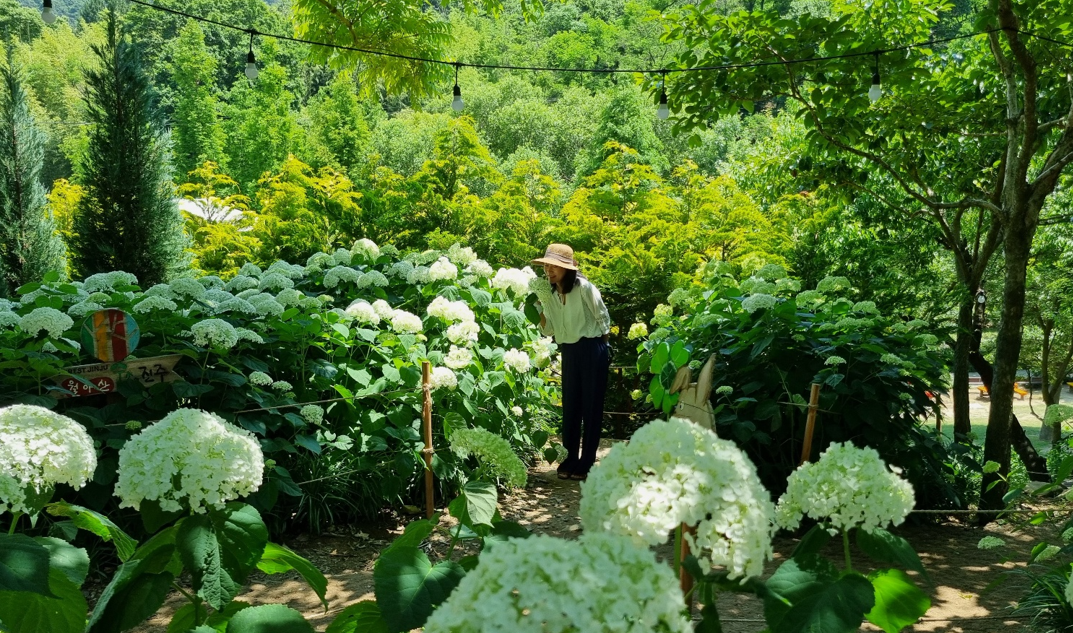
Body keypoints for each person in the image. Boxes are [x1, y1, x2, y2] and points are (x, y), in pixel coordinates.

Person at [531, 243, 611, 481]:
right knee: (571, 407)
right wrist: (541, 307)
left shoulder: (584, 287)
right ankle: (569, 459)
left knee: (591, 407)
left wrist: (601, 349)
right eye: (546, 265)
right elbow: (549, 331)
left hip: (592, 347)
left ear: (567, 268)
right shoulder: (551, 294)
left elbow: (603, 318)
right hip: (569, 351)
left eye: (554, 266)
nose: (549, 270)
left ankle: (586, 462)